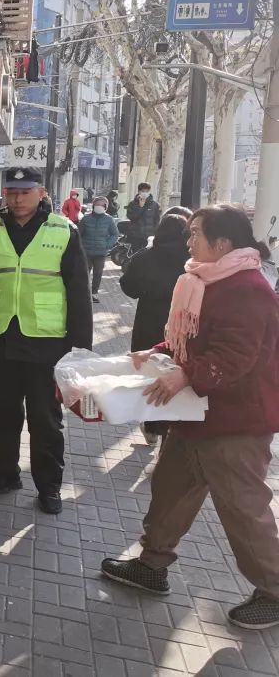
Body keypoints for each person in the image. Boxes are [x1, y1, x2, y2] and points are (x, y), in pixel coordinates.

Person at [101, 205, 279, 630]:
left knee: (243, 508)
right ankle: (152, 565)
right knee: (170, 490)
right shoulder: (205, 279)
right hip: (194, 414)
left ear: (222, 243)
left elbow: (235, 356)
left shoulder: (248, 287)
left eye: (196, 233)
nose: (189, 241)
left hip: (235, 422)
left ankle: (274, 591)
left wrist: (184, 374)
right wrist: (158, 353)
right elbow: (191, 339)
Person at [0, 167, 93, 515]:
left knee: (45, 418)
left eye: (25, 192)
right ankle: (7, 474)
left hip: (46, 340)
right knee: (5, 414)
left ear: (41, 193)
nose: (17, 199)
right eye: (11, 192)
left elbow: (79, 287)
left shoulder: (63, 230)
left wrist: (81, 343)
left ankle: (49, 486)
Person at [118, 213, 190, 445]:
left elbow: (128, 286)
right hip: (183, 325)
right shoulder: (192, 259)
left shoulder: (146, 256)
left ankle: (151, 426)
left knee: (149, 373)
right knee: (176, 370)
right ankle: (170, 427)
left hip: (148, 320)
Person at [78, 195, 120, 303]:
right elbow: (78, 234)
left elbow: (115, 234)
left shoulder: (109, 219)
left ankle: (94, 294)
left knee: (98, 274)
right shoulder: (86, 219)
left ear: (105, 206)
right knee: (84, 274)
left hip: (100, 253)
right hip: (86, 252)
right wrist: (80, 246)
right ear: (93, 206)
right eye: (97, 204)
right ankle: (83, 293)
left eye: (102, 205)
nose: (99, 206)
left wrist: (107, 245)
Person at [126, 182, 161, 251]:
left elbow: (157, 220)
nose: (145, 193)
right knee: (135, 254)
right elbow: (131, 217)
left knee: (148, 254)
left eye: (147, 191)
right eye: (143, 191)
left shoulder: (155, 205)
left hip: (149, 236)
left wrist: (155, 233)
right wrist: (140, 207)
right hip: (135, 235)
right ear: (139, 192)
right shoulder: (132, 204)